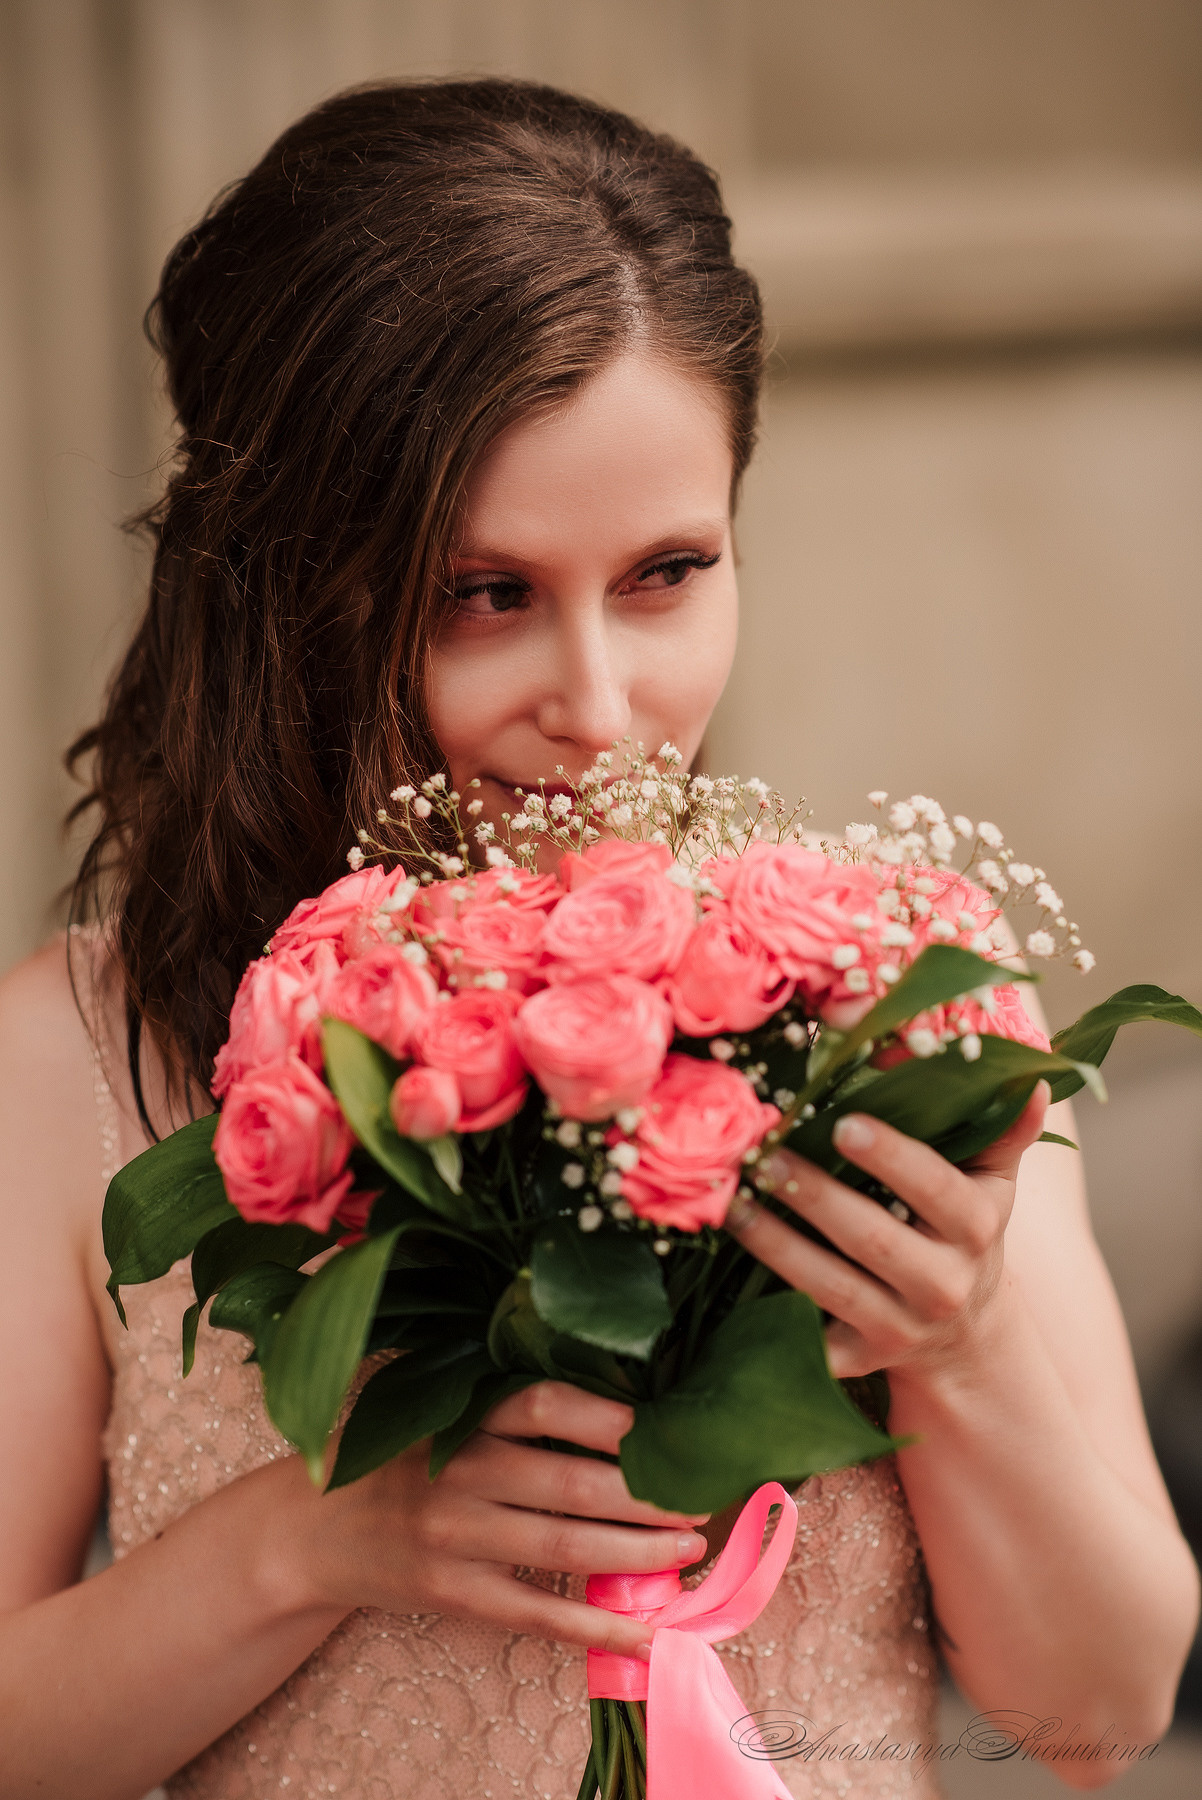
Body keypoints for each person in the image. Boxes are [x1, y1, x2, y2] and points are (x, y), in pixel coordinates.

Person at [0, 78, 1194, 1800]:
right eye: (484, 594)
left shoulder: (887, 992)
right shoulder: (74, 1050)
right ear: (285, 591)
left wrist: (964, 1334)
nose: (600, 705)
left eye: (664, 573)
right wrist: (307, 1544)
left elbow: (1102, 1718)